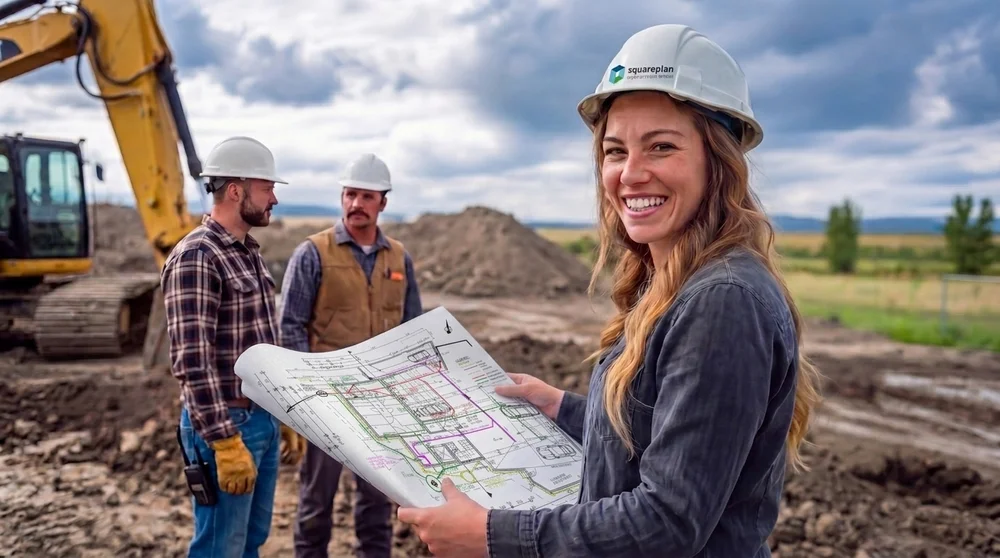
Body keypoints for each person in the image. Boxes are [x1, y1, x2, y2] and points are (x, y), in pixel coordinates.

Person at [396, 23, 823, 558]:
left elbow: (668, 521)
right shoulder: (674, 282)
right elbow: (657, 435)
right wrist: (563, 408)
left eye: (661, 147)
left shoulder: (723, 300)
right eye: (616, 151)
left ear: (720, 162)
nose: (631, 173)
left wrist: (492, 536)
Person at [162, 135, 301, 557]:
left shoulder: (249, 254)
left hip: (260, 421)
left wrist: (285, 411)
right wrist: (223, 442)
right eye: (267, 188)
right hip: (226, 426)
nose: (274, 198)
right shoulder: (197, 257)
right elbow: (192, 363)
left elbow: (264, 344)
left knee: (250, 543)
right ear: (236, 190)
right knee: (220, 548)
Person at [278, 152, 423, 558]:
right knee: (315, 505)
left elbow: (413, 331)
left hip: (380, 406)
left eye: (366, 196)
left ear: (383, 203)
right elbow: (290, 326)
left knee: (378, 507)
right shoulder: (313, 253)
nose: (356, 204)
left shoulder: (399, 257)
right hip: (325, 403)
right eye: (349, 194)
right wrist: (302, 403)